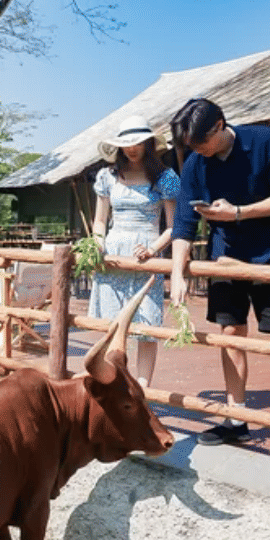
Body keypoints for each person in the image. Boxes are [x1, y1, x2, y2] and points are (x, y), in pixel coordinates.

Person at [168, 98, 270, 472]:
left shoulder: (265, 141)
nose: (198, 152)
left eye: (201, 143)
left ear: (220, 125)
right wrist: (177, 273)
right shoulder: (196, 163)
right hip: (225, 255)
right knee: (230, 331)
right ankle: (236, 417)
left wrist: (239, 212)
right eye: (191, 147)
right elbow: (182, 224)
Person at [89, 115, 179, 388]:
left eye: (138, 142)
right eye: (126, 143)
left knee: (145, 326)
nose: (132, 148)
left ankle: (141, 389)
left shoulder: (166, 177)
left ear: (149, 143)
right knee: (112, 323)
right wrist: (96, 245)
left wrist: (152, 249)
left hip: (146, 252)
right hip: (113, 253)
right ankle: (110, 383)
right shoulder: (107, 176)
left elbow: (173, 227)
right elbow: (101, 220)